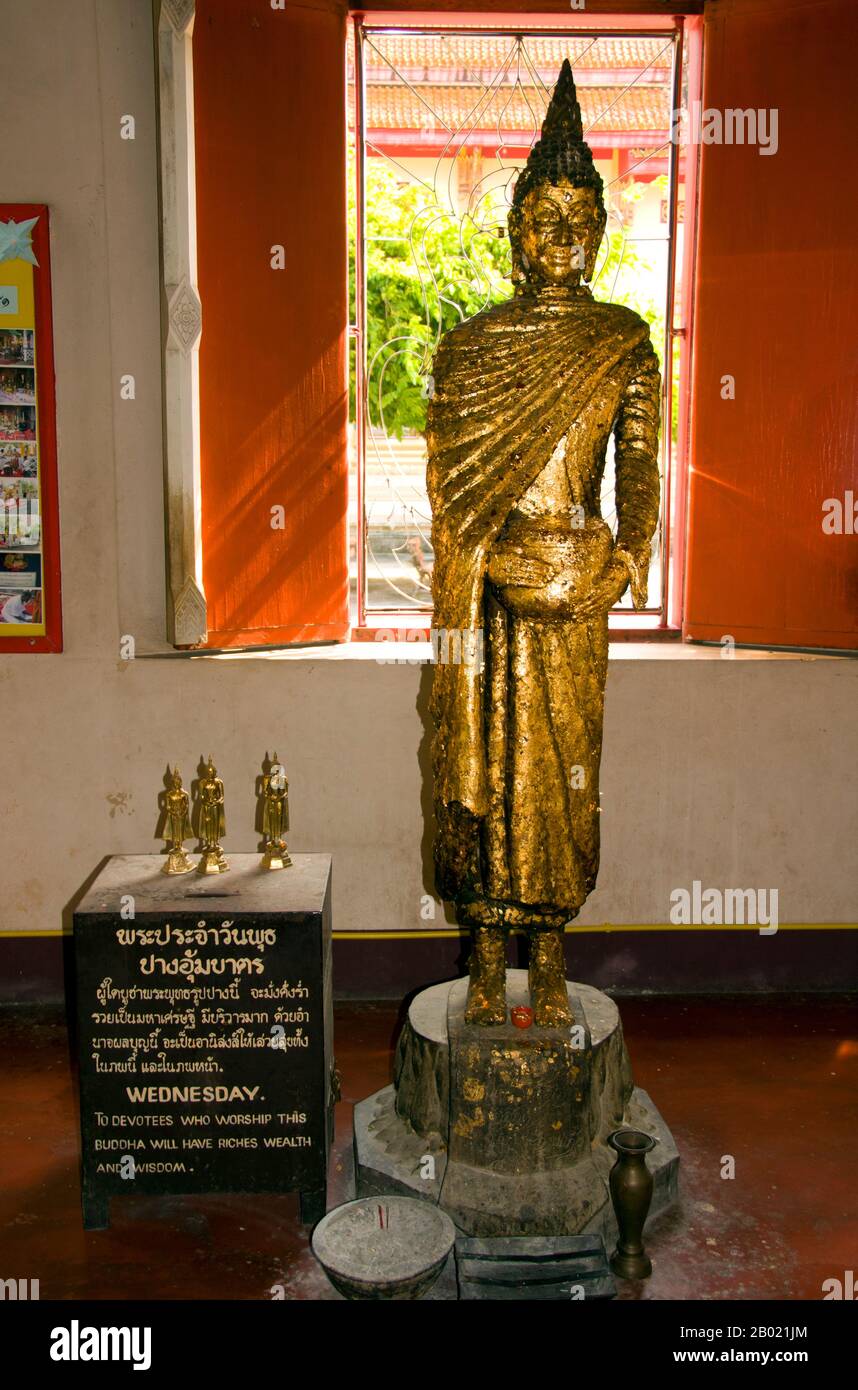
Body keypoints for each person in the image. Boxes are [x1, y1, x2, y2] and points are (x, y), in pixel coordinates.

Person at [426, 61, 661, 1026]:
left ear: (600, 231)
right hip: (490, 588)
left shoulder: (623, 341)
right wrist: (480, 567)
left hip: (577, 586)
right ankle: (486, 954)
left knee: (565, 774)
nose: (561, 235)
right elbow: (450, 495)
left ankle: (553, 950)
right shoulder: (471, 348)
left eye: (580, 218)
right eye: (544, 216)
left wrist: (625, 559)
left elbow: (640, 469)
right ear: (513, 230)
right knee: (484, 766)